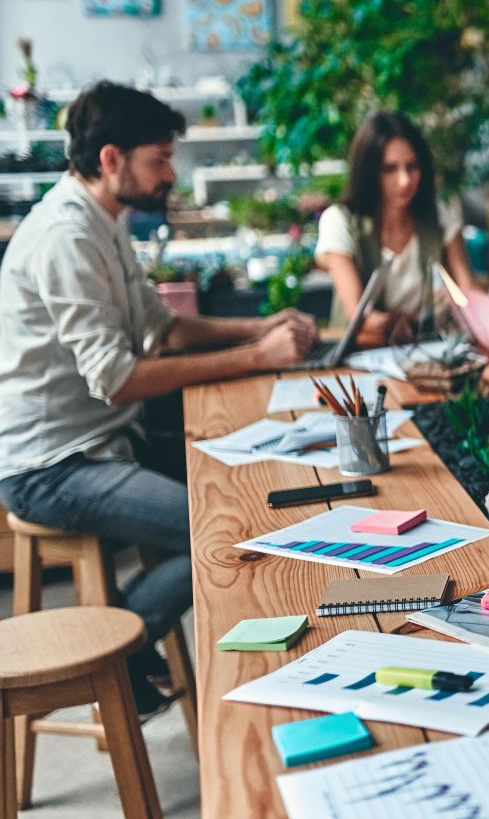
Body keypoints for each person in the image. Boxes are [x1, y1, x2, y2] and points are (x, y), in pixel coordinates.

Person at [0, 82, 318, 712]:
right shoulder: (66, 237)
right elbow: (116, 379)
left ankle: (129, 639)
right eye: (160, 159)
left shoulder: (104, 221)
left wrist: (262, 326)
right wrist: (257, 358)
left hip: (105, 443)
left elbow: (164, 327)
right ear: (112, 159)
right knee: (228, 531)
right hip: (53, 466)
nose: (171, 173)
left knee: (248, 492)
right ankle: (120, 650)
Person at [316, 111, 483, 347]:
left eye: (412, 166)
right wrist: (393, 322)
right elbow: (357, 312)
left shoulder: (439, 214)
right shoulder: (339, 221)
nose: (405, 180)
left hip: (428, 350)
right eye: (389, 169)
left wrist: (488, 315)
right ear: (368, 173)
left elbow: (468, 289)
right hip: (360, 355)